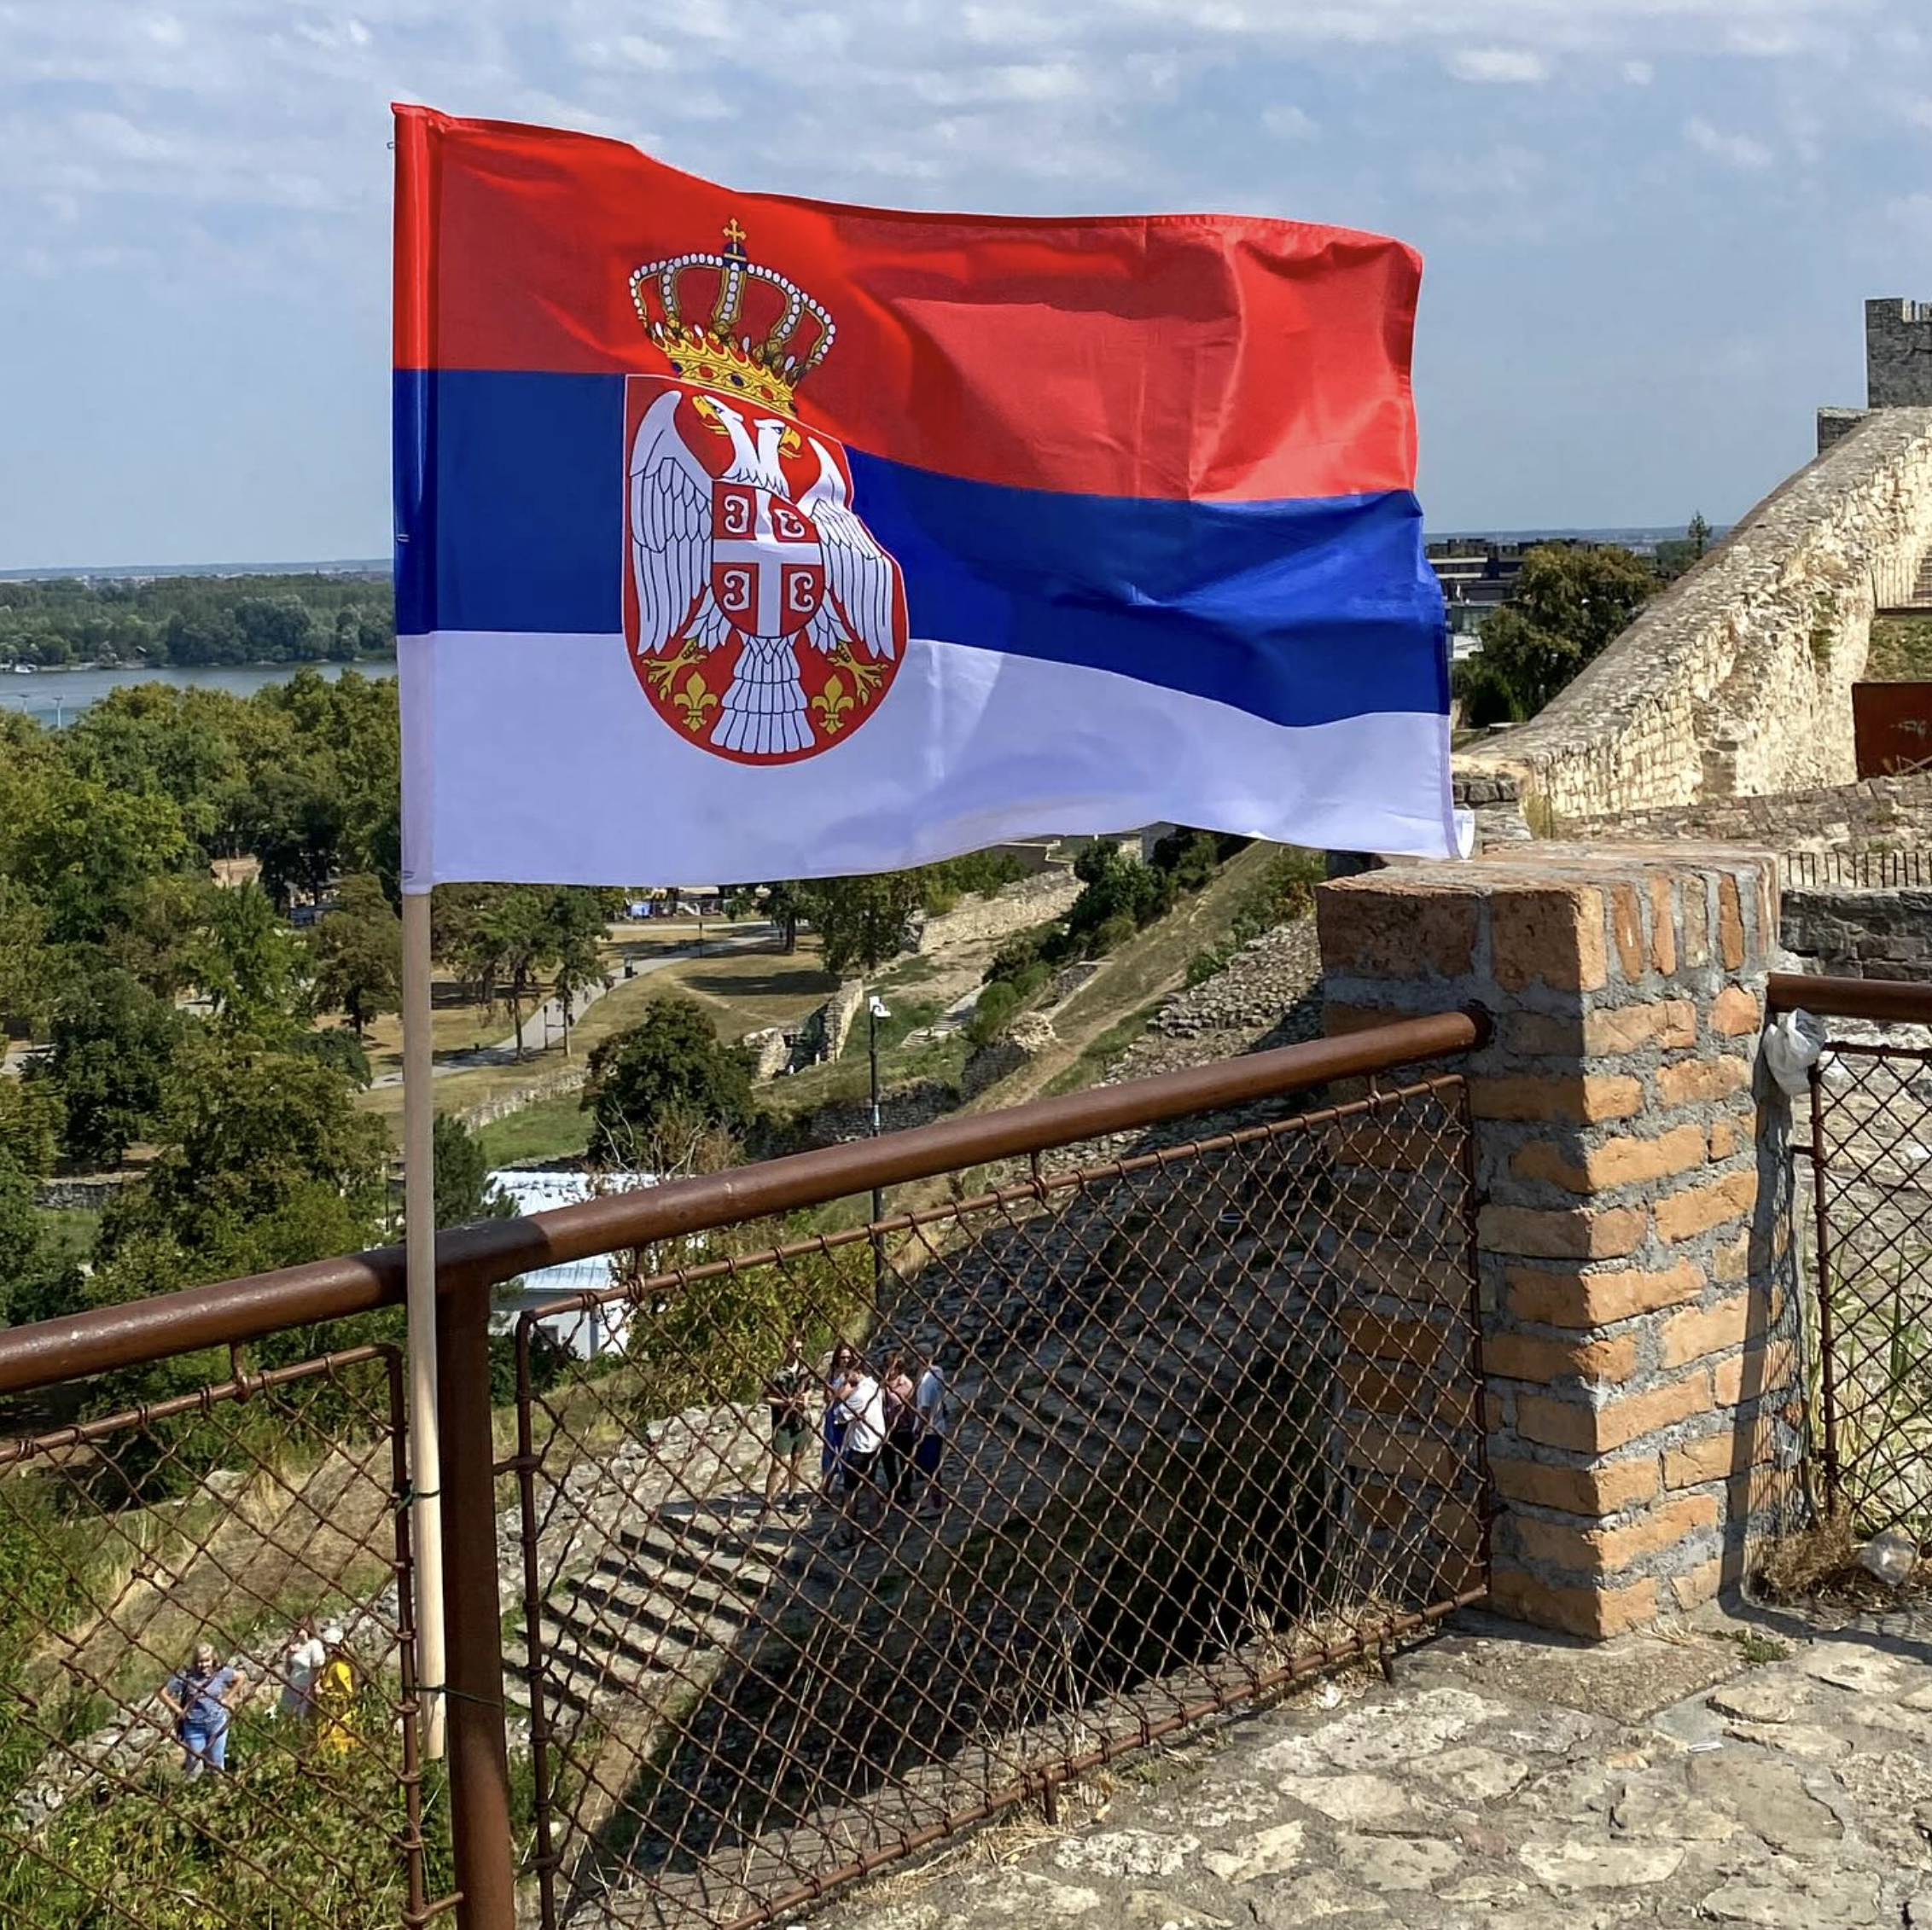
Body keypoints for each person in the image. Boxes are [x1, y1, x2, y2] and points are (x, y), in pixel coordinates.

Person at [161, 1642, 246, 1777]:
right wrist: (178, 1710)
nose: (204, 1665)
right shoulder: (186, 1677)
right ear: (195, 1661)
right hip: (194, 1727)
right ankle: (191, 1795)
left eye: (207, 1660)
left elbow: (240, 1677)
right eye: (200, 1661)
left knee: (217, 1765)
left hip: (216, 1724)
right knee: (194, 1768)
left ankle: (217, 1792)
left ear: (213, 1660)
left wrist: (227, 1699)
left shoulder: (220, 1673)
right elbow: (163, 1692)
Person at [832, 1360, 887, 1546]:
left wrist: (844, 1392)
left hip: (860, 1447)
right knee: (870, 1485)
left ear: (857, 1371)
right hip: (874, 1443)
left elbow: (839, 1415)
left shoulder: (860, 1394)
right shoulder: (874, 1386)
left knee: (850, 1492)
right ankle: (876, 1528)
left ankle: (848, 1534)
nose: (847, 1378)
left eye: (848, 1374)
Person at [761, 1334, 812, 1516]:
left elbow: (808, 1389)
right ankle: (767, 1502)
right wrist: (785, 1402)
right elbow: (766, 1397)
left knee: (796, 1462)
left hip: (801, 1422)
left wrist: (805, 1400)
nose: (798, 1352)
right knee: (777, 1464)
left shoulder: (805, 1370)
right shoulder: (777, 1372)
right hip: (782, 1423)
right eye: (795, 1348)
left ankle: (792, 1498)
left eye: (800, 1349)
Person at [820, 1342, 858, 1507]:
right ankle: (825, 1491)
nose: (845, 1360)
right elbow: (827, 1395)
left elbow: (844, 1396)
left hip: (846, 1416)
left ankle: (846, 1492)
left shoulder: (853, 1375)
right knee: (829, 1450)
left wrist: (837, 1394)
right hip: (831, 1415)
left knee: (845, 1452)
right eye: (842, 1357)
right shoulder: (832, 1373)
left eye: (848, 1357)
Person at [912, 1357, 950, 1517]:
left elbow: (925, 1409)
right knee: (932, 1467)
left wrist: (918, 1430)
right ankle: (937, 1498)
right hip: (938, 1425)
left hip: (929, 1430)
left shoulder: (927, 1383)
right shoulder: (937, 1371)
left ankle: (936, 1504)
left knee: (930, 1469)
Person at [313, 1624, 357, 1759]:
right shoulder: (333, 1663)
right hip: (331, 1714)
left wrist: (323, 1693)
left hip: (339, 1717)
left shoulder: (339, 1667)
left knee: (337, 1753)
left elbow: (347, 1694)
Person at [881, 1355, 919, 1507]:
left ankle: (906, 1491)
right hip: (886, 1430)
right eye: (886, 1366)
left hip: (903, 1429)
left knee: (905, 1463)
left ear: (898, 1368)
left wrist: (914, 1428)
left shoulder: (906, 1385)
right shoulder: (882, 1385)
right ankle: (894, 1490)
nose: (887, 1370)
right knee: (888, 1462)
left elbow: (912, 1409)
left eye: (890, 1367)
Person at [278, 1618, 326, 1724]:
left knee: (302, 1718)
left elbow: (319, 1667)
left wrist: (315, 1684)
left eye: (302, 1627)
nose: (299, 1630)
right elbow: (289, 1670)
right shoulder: (295, 1644)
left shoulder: (314, 1645)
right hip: (292, 1686)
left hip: (306, 1688)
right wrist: (290, 1654)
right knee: (287, 1717)